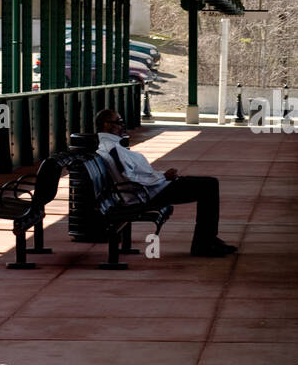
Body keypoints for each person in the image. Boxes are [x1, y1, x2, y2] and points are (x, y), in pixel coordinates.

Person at [94, 108, 238, 257]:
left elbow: (134, 175)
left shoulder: (112, 147)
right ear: (107, 125)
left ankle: (207, 240)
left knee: (208, 184)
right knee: (209, 186)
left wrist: (162, 176)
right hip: (148, 194)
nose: (122, 125)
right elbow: (130, 177)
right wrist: (164, 177)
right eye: (119, 122)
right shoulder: (112, 149)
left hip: (151, 189)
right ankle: (204, 244)